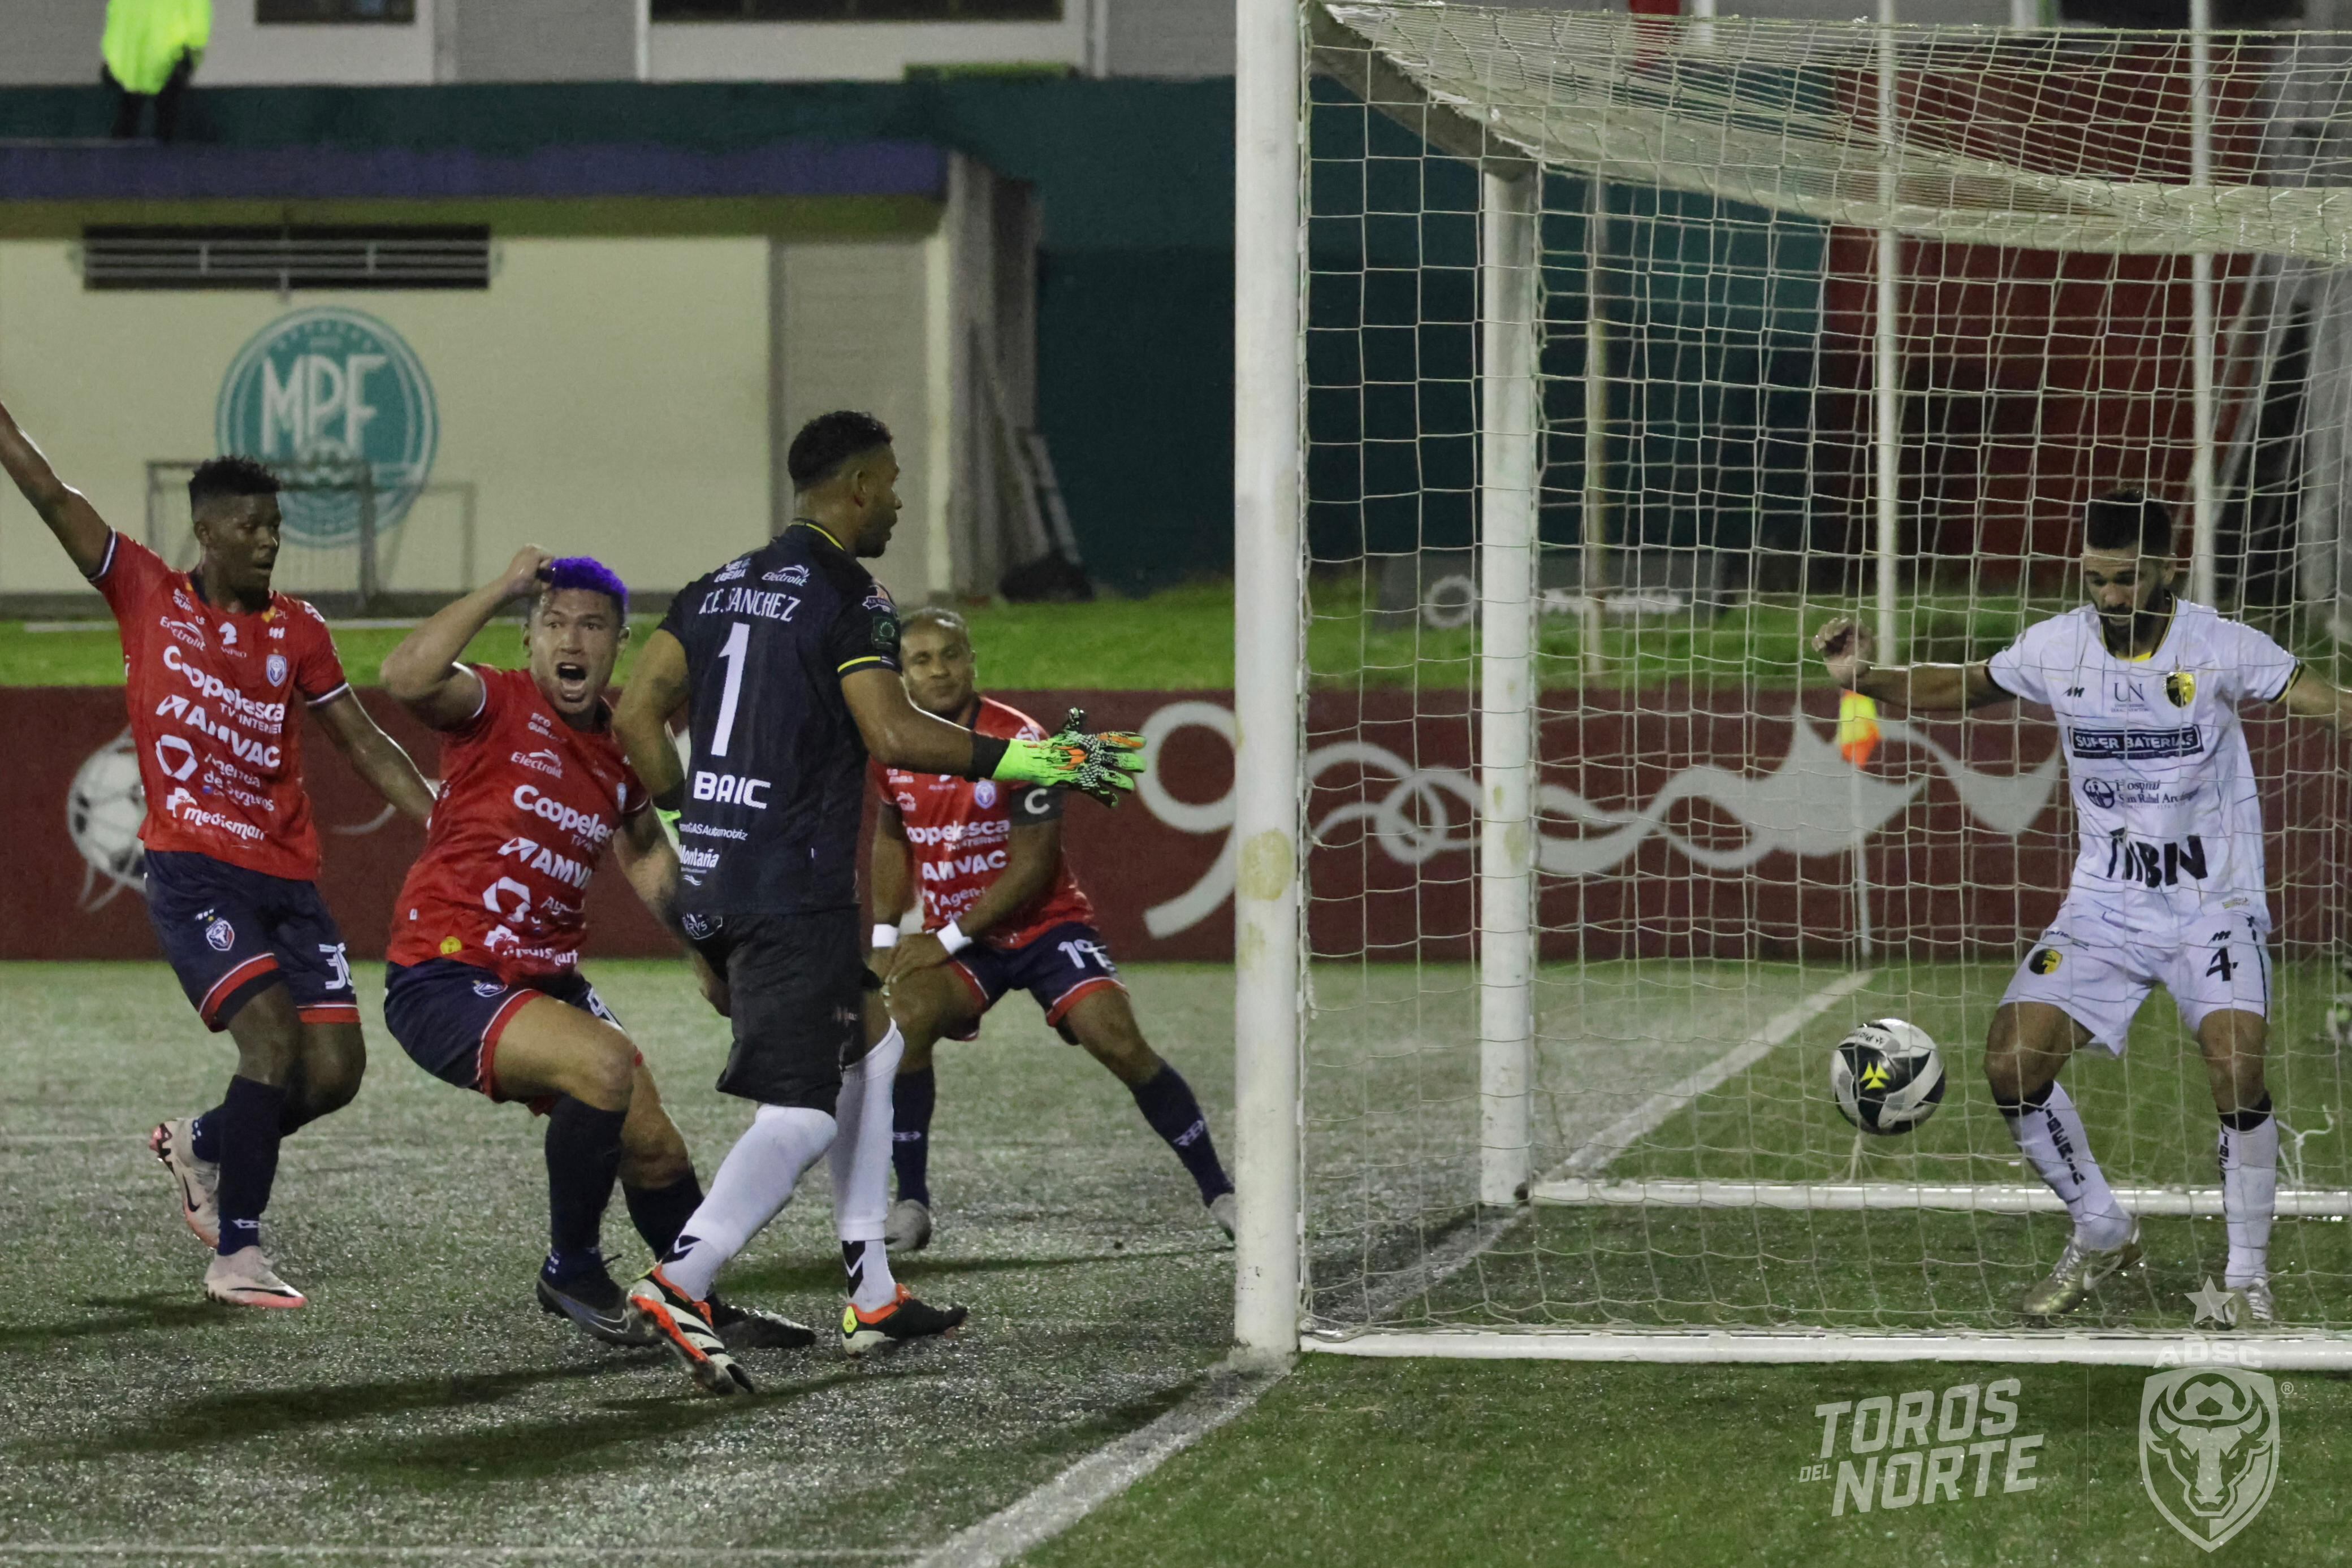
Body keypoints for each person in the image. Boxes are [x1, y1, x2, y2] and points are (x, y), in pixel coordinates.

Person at [610, 409, 1145, 1394]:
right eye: (893, 482)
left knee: (880, 1043)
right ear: (855, 485)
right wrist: (1045, 754)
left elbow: (637, 711)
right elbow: (896, 733)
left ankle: (871, 1283)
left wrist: (698, 805)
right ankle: (680, 1280)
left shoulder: (718, 584)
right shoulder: (850, 591)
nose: (899, 499)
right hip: (791, 888)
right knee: (806, 1109)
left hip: (719, 870)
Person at [1814, 489, 2352, 1327]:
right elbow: (1961, 685)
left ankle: (2246, 1277)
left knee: (2237, 1062)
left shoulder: (2220, 645)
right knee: (2011, 1062)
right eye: (2096, 579)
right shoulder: (2057, 646)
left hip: (2214, 903)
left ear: (2168, 569)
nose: (2109, 597)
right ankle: (2102, 1229)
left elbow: (2326, 701)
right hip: (2104, 904)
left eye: (2127, 579)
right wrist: (1866, 681)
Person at [0, 399, 436, 1309]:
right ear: (206, 531)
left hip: (287, 877)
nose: (270, 539)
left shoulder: (300, 631)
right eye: (251, 525)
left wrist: (439, 814)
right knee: (270, 1042)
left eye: (276, 525)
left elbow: (359, 738)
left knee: (335, 1075)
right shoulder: (146, 593)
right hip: (193, 869)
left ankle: (202, 1141)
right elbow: (48, 493)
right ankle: (238, 1252)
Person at [377, 547, 811, 1354]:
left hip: (544, 979)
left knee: (654, 1144)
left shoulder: (622, 741)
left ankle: (696, 1302)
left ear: (618, 646)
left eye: (592, 626)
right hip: (445, 974)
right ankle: (570, 1267)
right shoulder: (492, 702)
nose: (571, 640)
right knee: (606, 1067)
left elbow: (644, 847)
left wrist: (704, 949)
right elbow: (404, 675)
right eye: (553, 623)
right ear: (529, 643)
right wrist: (504, 584)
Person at [868, 607, 1235, 1252]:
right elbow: (890, 839)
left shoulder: (1024, 740)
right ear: (900, 674)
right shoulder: (891, 746)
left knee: (1115, 1038)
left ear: (972, 659)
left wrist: (944, 938)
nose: (938, 669)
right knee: (903, 1018)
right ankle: (912, 1201)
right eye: (920, 659)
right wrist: (882, 938)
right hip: (965, 941)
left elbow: (1033, 867)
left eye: (950, 654)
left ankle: (1220, 1191)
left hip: (1042, 925)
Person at [102, 0, 209, 142]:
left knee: (128, 126)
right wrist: (192, 51)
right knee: (165, 129)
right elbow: (198, 18)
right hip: (169, 59)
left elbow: (118, 18)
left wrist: (112, 56)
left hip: (138, 62)